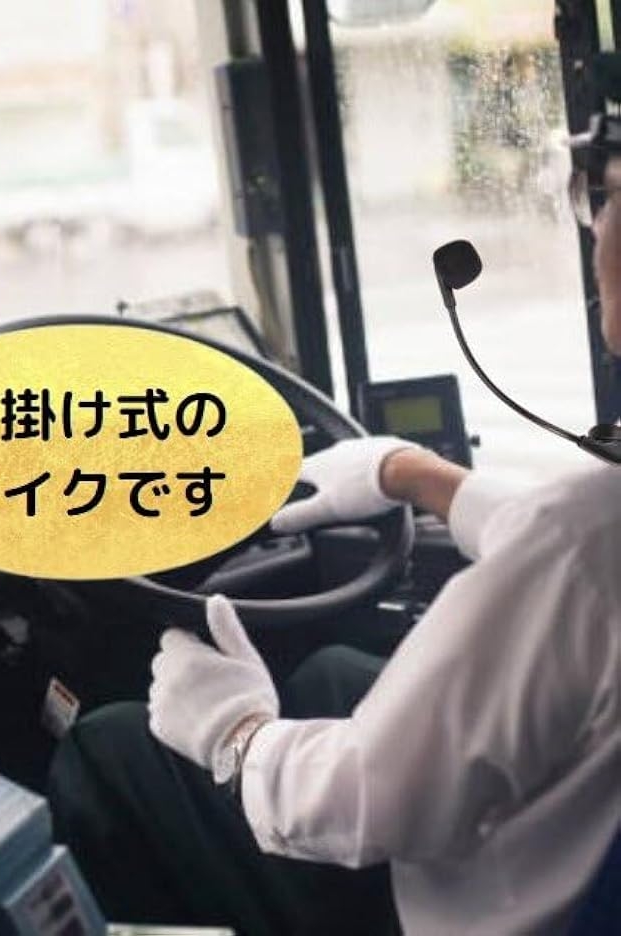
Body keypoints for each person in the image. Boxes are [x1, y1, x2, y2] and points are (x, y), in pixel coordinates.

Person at [47, 160, 621, 932]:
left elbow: (366, 800)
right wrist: (416, 475)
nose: (596, 223)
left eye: (607, 193)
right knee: (328, 675)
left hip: (488, 909)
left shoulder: (581, 538)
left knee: (109, 744)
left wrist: (234, 734)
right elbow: (575, 551)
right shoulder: (583, 535)